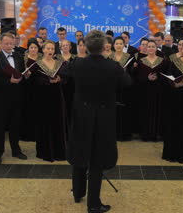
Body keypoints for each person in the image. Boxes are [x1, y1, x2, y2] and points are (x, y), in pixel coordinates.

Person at [66, 29, 131, 213]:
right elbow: (127, 83)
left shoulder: (77, 63)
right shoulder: (112, 66)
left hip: (81, 115)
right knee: (97, 160)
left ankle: (78, 193)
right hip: (103, 118)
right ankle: (93, 204)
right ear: (104, 47)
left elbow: (65, 76)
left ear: (85, 46)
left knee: (80, 153)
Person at [0, 33, 28, 164]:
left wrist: (25, 75)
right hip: (1, 97)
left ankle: (16, 150)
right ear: (1, 43)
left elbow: (21, 72)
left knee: (15, 124)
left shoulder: (18, 56)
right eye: (6, 43)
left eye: (10, 44)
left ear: (14, 44)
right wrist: (9, 81)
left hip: (16, 96)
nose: (8, 46)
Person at [32, 40, 67, 162]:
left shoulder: (60, 63)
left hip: (57, 97)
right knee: (44, 123)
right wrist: (47, 81)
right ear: (43, 50)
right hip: (43, 99)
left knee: (58, 123)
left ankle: (59, 152)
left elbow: (66, 79)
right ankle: (45, 152)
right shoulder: (37, 64)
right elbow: (34, 81)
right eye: (48, 49)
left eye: (52, 49)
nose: (50, 51)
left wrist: (60, 79)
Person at [134, 40, 168, 141]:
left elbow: (166, 76)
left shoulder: (163, 61)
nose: (151, 48)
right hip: (145, 91)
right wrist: (147, 78)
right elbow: (137, 77)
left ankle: (155, 134)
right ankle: (145, 134)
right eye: (149, 46)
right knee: (145, 112)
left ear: (156, 48)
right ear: (146, 48)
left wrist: (158, 78)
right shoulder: (141, 61)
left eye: (153, 46)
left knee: (157, 111)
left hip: (158, 91)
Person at [108, 37, 135, 141]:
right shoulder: (109, 57)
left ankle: (125, 134)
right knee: (113, 109)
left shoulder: (129, 57)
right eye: (117, 43)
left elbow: (133, 73)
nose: (118, 45)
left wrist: (127, 71)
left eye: (120, 43)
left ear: (124, 45)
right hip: (113, 87)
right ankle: (113, 134)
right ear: (113, 45)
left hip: (126, 87)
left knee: (125, 109)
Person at [21, 39, 42, 142]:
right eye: (31, 47)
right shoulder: (24, 57)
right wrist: (26, 74)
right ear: (28, 48)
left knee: (38, 110)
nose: (33, 49)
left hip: (39, 87)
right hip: (27, 87)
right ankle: (27, 134)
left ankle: (38, 134)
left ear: (38, 48)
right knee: (27, 110)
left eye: (35, 47)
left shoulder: (42, 57)